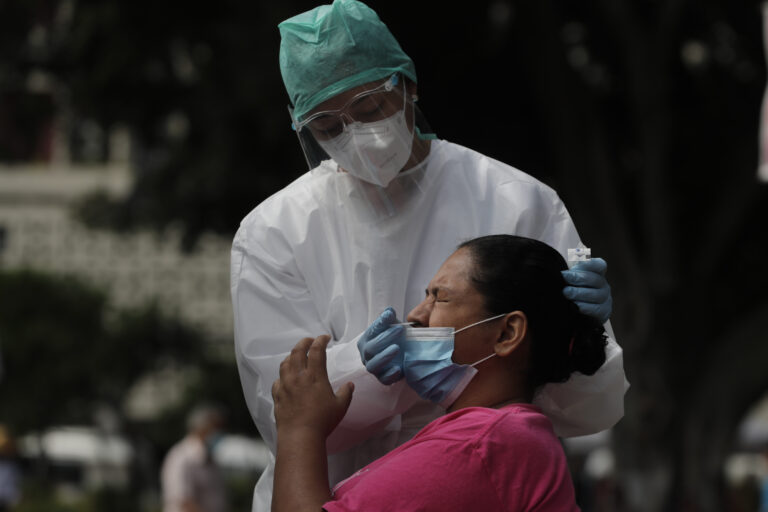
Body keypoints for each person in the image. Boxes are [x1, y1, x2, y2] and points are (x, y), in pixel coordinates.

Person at [231, 1, 628, 509]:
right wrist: (366, 369)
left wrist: (583, 336)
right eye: (328, 127)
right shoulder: (273, 232)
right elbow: (286, 414)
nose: (354, 135)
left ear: (408, 86)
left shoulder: (515, 200)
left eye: (370, 108)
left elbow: (589, 407)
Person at [271, 234, 608, 511]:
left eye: (440, 298)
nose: (416, 315)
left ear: (506, 334)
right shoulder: (500, 437)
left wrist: (299, 429)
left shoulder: (479, 445)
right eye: (425, 296)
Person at [160, 405, 228, 512]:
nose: (219, 432)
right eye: (215, 427)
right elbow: (184, 501)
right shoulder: (181, 457)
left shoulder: (211, 459)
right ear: (201, 428)